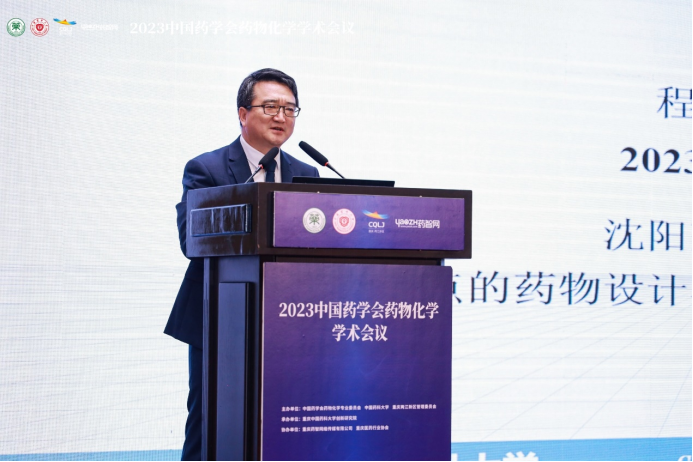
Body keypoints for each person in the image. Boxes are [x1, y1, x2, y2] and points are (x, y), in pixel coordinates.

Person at [164, 68, 319, 460]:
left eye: (289, 109)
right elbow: (191, 241)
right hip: (221, 318)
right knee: (210, 421)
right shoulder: (207, 169)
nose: (281, 116)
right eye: (270, 106)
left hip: (289, 319)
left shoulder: (307, 173)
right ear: (242, 113)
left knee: (284, 419)